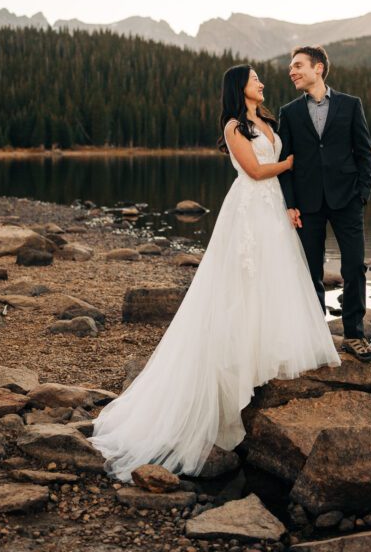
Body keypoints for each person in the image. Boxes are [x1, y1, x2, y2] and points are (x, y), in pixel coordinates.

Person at [89, 64, 340, 482]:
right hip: (248, 211)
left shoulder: (267, 119)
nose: (261, 82)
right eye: (255, 78)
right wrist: (292, 162)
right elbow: (256, 171)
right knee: (244, 284)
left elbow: (272, 170)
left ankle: (268, 357)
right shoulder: (233, 127)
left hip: (272, 210)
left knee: (275, 281)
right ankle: (234, 372)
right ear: (239, 87)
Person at [277, 45, 371, 362]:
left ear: (318, 68)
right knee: (310, 271)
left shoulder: (350, 105)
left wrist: (362, 194)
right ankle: (315, 336)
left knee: (354, 266)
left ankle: (354, 335)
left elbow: (364, 153)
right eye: (291, 67)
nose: (291, 71)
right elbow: (286, 162)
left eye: (297, 65)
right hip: (307, 203)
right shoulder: (289, 112)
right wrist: (290, 203)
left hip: (347, 199)